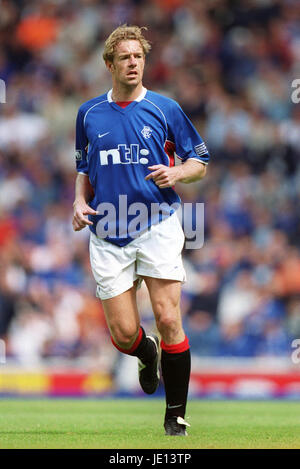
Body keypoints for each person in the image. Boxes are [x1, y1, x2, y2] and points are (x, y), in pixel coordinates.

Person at [72, 25, 209, 436]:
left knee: (169, 318)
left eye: (139, 56)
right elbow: (84, 167)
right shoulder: (89, 113)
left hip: (157, 224)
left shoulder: (165, 109)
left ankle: (176, 416)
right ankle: (145, 353)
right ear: (110, 64)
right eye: (125, 57)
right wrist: (79, 201)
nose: (133, 63)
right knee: (124, 334)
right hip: (107, 230)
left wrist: (177, 171)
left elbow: (199, 162)